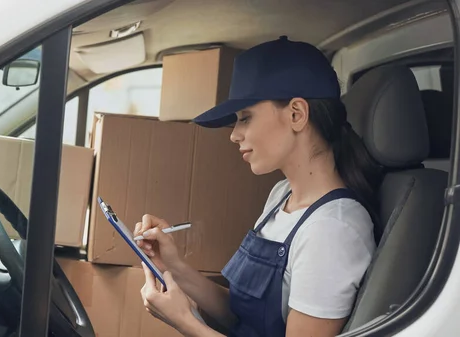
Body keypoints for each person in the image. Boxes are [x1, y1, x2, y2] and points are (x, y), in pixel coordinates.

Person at [134, 36, 382, 337]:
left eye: (245, 118)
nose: (234, 135)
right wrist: (172, 267)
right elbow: (242, 316)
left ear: (296, 114)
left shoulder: (332, 231)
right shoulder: (282, 195)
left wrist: (185, 322)